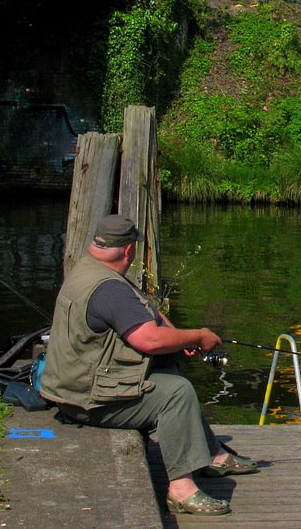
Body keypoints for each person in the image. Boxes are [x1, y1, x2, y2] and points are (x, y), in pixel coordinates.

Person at [39, 214, 256, 517]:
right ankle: (182, 491)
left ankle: (212, 455)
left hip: (73, 386)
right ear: (129, 250)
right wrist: (199, 335)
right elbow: (149, 340)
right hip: (85, 400)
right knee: (175, 392)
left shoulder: (90, 271)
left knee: (167, 370)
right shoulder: (108, 289)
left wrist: (179, 339)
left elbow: (145, 313)